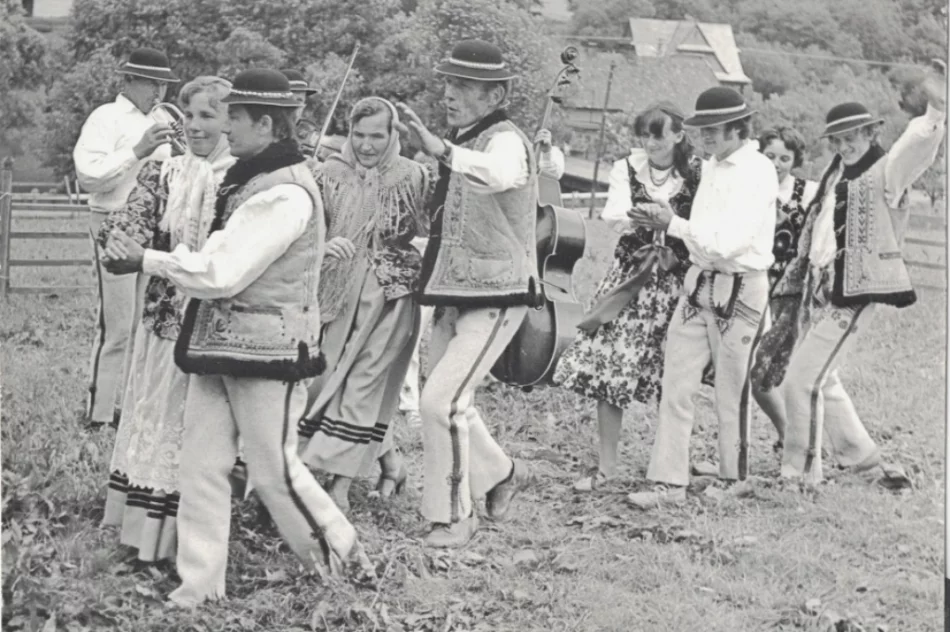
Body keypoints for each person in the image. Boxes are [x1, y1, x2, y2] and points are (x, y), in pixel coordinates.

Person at [105, 69, 372, 605]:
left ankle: (347, 568)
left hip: (268, 350)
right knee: (200, 467)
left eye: (236, 118)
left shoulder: (285, 193)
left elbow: (222, 272)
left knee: (274, 472)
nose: (225, 128)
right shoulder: (252, 178)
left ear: (267, 125)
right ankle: (200, 587)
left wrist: (147, 259)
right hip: (219, 345)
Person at [756, 68, 946, 485]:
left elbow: (917, 146)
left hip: (856, 289)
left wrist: (935, 109)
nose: (845, 146)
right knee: (824, 375)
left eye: (853, 137)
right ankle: (860, 456)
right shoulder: (833, 177)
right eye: (838, 141)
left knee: (802, 378)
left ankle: (799, 475)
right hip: (820, 288)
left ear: (871, 133)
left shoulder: (887, 172)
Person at [395, 39, 536, 548]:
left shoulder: (505, 140)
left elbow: (498, 176)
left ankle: (456, 518)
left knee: (439, 402)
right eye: (449, 83)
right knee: (452, 401)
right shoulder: (461, 137)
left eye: (463, 85)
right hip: (454, 291)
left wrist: (443, 150)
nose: (450, 93)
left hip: (500, 293)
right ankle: (499, 474)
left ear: (494, 93)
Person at [98, 76, 235, 564]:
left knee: (195, 425)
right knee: (153, 410)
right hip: (162, 315)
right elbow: (132, 221)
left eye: (208, 116)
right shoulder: (167, 172)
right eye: (189, 116)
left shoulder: (239, 179)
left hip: (215, 318)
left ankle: (187, 534)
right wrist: (118, 243)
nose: (195, 127)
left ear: (231, 122)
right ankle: (140, 528)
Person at [626, 87, 778, 508]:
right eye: (700, 130)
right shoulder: (711, 166)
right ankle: (668, 481)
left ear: (737, 127)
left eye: (712, 130)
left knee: (732, 390)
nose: (705, 138)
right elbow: (705, 236)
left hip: (741, 285)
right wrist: (674, 224)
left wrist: (674, 224)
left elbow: (728, 243)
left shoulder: (758, 170)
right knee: (676, 383)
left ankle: (734, 477)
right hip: (698, 283)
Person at [553, 102, 702, 492]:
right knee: (610, 368)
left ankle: (672, 466)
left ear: (678, 135)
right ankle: (607, 466)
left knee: (674, 378)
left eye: (658, 134)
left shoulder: (698, 173)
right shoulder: (627, 168)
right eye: (645, 135)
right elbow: (615, 214)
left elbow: (700, 225)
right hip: (630, 280)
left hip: (675, 283)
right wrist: (653, 219)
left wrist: (670, 222)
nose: (650, 143)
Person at [297, 97, 433, 513]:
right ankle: (391, 463)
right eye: (359, 135)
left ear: (394, 135)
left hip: (390, 296)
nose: (367, 145)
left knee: (364, 384)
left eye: (378, 135)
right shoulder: (326, 174)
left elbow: (436, 227)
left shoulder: (415, 176)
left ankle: (338, 484)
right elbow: (305, 229)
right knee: (325, 381)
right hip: (335, 292)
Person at [73, 47, 179, 429]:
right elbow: (89, 176)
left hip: (154, 228)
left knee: (142, 323)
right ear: (129, 81)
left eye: (164, 85)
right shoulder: (106, 117)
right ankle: (98, 414)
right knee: (116, 325)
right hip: (113, 222)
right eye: (152, 84)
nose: (159, 93)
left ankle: (128, 407)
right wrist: (138, 151)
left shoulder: (165, 117)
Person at [749, 126, 819, 447]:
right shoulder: (747, 189)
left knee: (767, 374)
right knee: (752, 373)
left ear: (795, 160)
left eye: (785, 158)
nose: (776, 164)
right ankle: (789, 434)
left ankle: (792, 435)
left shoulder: (807, 192)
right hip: (750, 288)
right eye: (770, 156)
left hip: (788, 297)